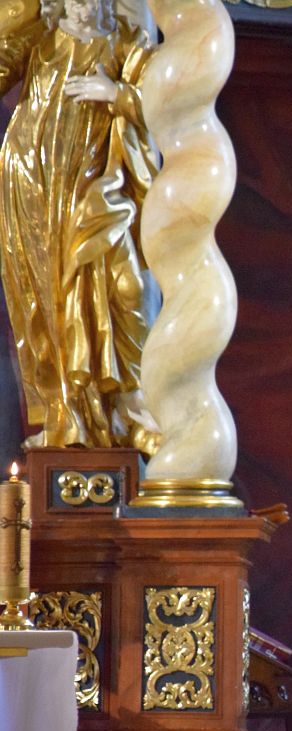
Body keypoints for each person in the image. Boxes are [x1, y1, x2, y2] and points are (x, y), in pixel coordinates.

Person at [0, 0, 160, 453]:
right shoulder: (40, 41)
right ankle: (65, 417)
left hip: (99, 190)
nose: (83, 5)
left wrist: (116, 95)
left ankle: (129, 408)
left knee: (126, 288)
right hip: (34, 184)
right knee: (46, 298)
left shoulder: (126, 43)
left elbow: (170, 104)